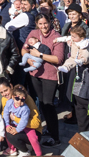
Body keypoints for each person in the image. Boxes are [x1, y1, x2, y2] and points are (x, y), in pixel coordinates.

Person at [21, 14, 66, 146]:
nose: (43, 26)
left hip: (50, 75)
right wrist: (28, 58)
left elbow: (58, 59)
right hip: (35, 73)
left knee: (48, 104)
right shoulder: (34, 33)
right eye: (40, 24)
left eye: (45, 23)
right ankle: (48, 129)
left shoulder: (56, 37)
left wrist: (40, 55)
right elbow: (24, 49)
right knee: (41, 103)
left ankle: (55, 137)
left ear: (50, 22)